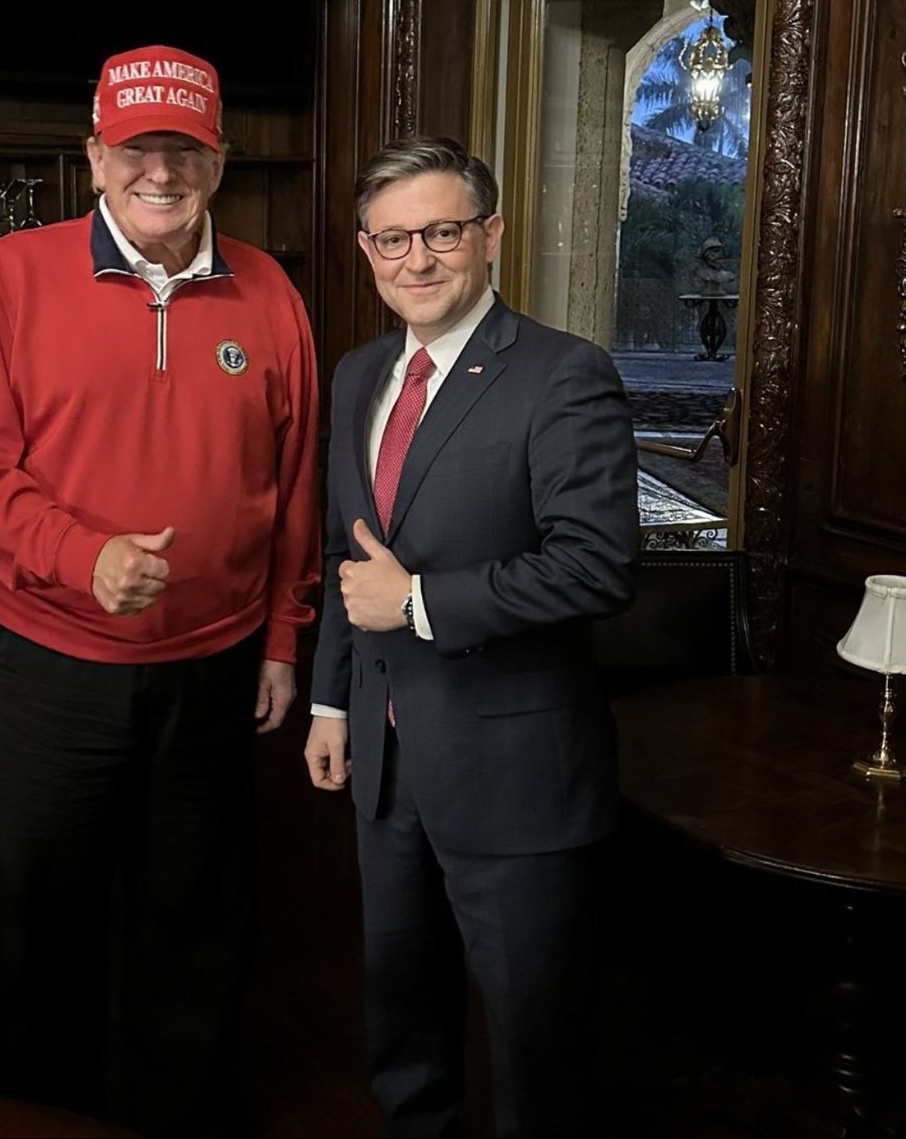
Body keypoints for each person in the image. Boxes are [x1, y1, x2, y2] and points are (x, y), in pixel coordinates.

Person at [0, 43, 320, 1135]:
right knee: (43, 924)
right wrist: (79, 554)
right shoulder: (15, 273)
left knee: (194, 924)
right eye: (139, 147)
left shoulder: (271, 290)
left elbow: (293, 488)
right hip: (50, 666)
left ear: (220, 161)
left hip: (216, 666)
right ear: (95, 156)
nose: (163, 171)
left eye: (185, 150)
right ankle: (35, 1120)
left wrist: (285, 639)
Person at [305, 135, 639, 1138]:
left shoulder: (562, 374)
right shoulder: (357, 375)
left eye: (442, 232)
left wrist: (419, 603)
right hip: (386, 766)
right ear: (367, 249)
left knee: (536, 1046)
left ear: (489, 235)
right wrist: (331, 699)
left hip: (516, 772)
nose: (418, 260)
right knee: (404, 1021)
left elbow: (599, 565)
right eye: (394, 239)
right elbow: (344, 557)